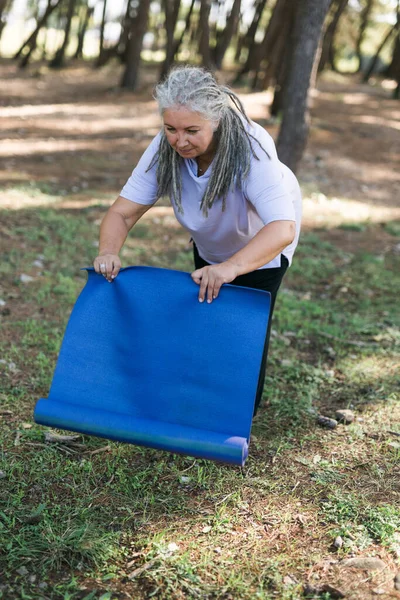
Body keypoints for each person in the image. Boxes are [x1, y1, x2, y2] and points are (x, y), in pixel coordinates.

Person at [93, 66, 302, 415]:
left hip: (262, 244)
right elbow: (122, 213)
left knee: (241, 336)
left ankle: (235, 415)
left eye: (192, 130)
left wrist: (232, 268)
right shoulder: (165, 147)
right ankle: (198, 402)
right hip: (211, 241)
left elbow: (282, 228)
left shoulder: (251, 146)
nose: (180, 140)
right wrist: (108, 251)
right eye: (171, 129)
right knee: (208, 322)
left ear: (216, 120)